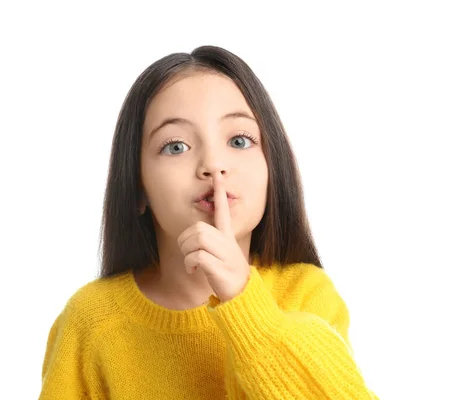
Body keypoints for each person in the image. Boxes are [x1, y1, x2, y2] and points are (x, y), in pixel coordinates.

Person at [38, 45, 379, 399]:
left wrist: (245, 304)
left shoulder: (306, 294)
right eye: (175, 147)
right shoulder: (91, 322)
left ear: (271, 169)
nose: (213, 164)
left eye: (239, 140)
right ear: (137, 188)